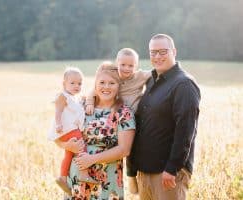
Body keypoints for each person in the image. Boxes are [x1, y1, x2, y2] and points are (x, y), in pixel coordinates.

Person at [128, 33, 201, 200]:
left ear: (174, 51)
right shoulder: (152, 81)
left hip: (167, 174)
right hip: (145, 171)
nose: (157, 56)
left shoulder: (184, 84)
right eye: (153, 52)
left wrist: (172, 168)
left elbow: (186, 131)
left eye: (163, 52)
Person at [56, 61, 136, 199]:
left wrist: (91, 159)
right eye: (102, 82)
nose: (106, 87)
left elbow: (124, 149)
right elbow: (59, 134)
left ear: (118, 86)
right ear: (95, 84)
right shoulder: (79, 105)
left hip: (107, 178)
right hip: (77, 179)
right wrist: (66, 145)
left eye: (112, 83)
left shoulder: (124, 112)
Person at [85, 48, 151, 194]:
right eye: (123, 65)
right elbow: (94, 88)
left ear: (136, 66)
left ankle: (132, 176)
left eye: (131, 66)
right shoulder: (113, 76)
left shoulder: (140, 76)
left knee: (132, 149)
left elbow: (157, 71)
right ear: (117, 64)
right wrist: (90, 102)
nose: (126, 69)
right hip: (116, 117)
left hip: (133, 117)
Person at [47, 67, 97, 196]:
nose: (77, 86)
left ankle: (62, 178)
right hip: (67, 129)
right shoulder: (63, 96)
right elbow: (57, 111)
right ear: (64, 84)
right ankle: (84, 174)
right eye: (72, 83)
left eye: (79, 83)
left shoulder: (75, 98)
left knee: (69, 154)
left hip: (69, 129)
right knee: (81, 147)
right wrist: (58, 124)